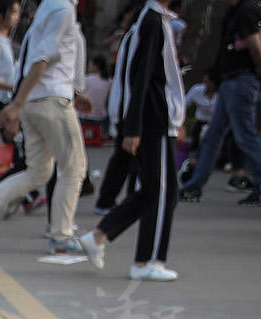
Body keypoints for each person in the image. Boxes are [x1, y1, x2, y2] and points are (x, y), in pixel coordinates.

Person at [0, 0, 91, 256]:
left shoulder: (46, 9)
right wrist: (17, 103)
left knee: (39, 172)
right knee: (74, 167)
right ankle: (61, 235)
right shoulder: (62, 8)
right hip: (51, 100)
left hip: (37, 100)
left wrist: (22, 102)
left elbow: (33, 60)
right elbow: (42, 58)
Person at [77, 0, 183, 281]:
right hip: (152, 121)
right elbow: (141, 79)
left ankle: (100, 235)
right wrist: (132, 127)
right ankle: (147, 261)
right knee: (161, 193)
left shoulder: (152, 20)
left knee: (157, 190)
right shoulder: (151, 21)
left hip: (155, 120)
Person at [176, 0, 261, 210]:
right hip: (231, 80)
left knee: (244, 135)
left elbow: (257, 43)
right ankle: (194, 185)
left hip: (241, 80)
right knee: (214, 134)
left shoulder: (247, 10)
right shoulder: (238, 11)